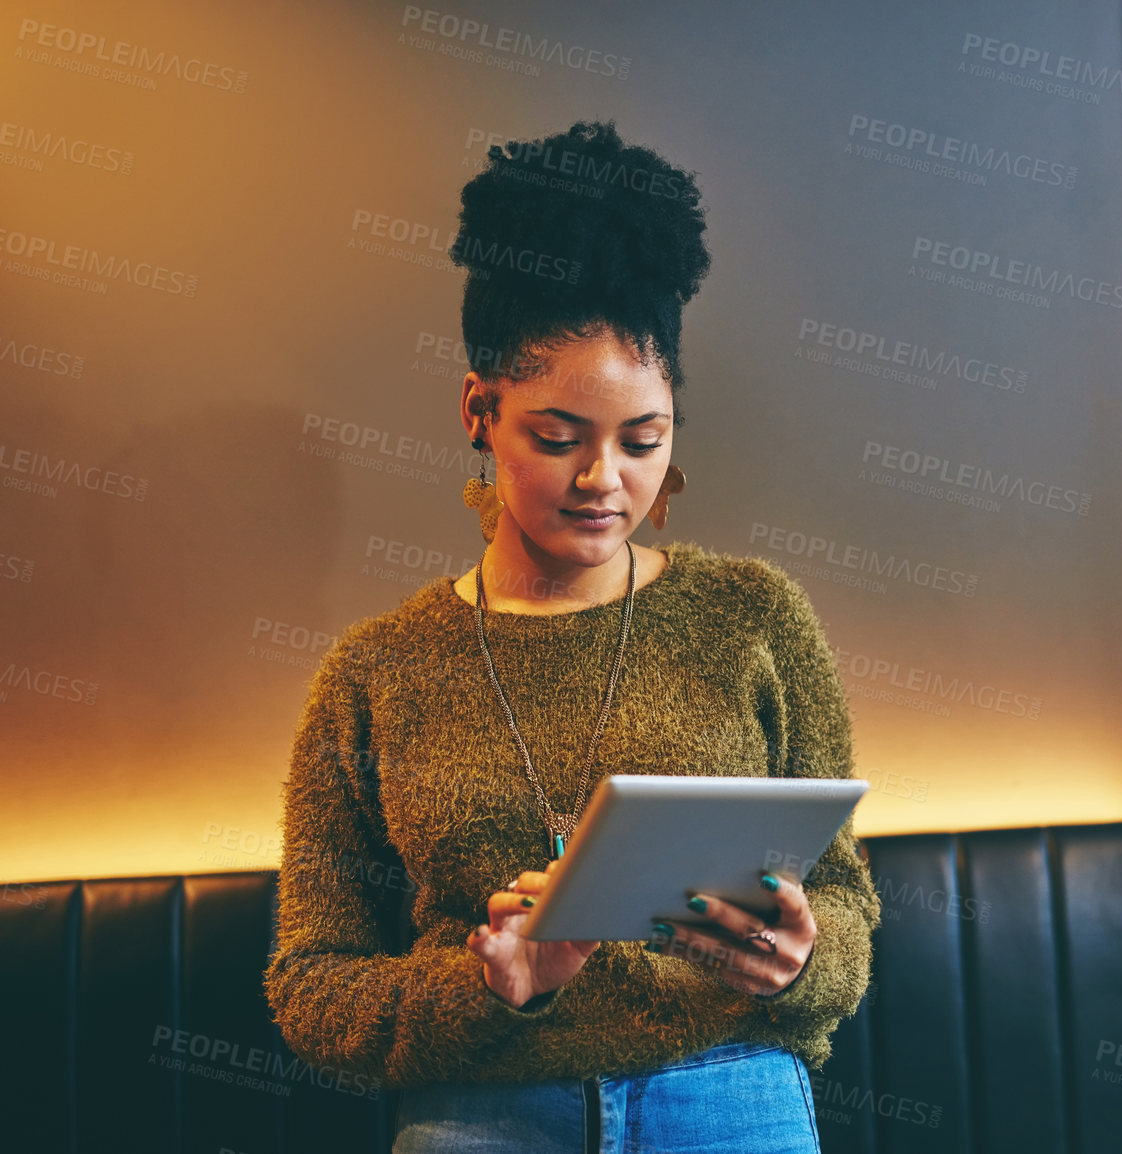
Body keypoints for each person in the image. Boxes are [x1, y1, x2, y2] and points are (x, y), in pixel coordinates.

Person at [263, 120, 881, 1154]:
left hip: (730, 1092)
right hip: (482, 1110)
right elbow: (312, 984)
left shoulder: (754, 617)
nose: (606, 480)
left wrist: (801, 959)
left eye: (644, 439)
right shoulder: (378, 672)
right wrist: (487, 984)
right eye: (558, 437)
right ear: (479, 409)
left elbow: (846, 905)